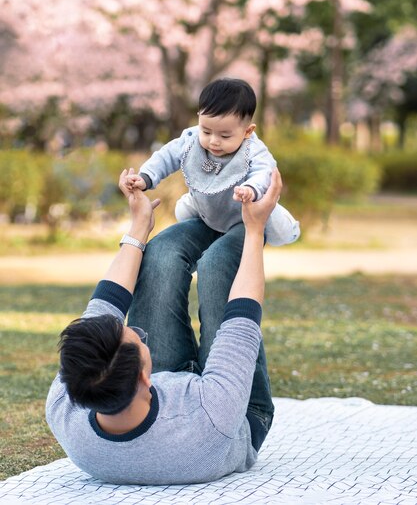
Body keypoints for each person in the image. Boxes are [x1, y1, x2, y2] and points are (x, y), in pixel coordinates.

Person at [46, 166, 282, 485]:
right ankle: (240, 215)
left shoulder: (66, 405)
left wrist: (139, 225)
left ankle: (214, 213)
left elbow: (107, 301)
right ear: (146, 376)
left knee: (158, 254)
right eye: (141, 341)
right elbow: (242, 318)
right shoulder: (215, 418)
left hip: (183, 403)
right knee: (217, 266)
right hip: (234, 416)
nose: (142, 334)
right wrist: (255, 230)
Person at [127, 77, 300, 247]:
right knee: (182, 211)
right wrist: (146, 177)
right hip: (205, 205)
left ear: (247, 131)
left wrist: (251, 189)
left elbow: (264, 172)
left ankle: (288, 226)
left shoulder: (253, 150)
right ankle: (205, 225)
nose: (214, 141)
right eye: (206, 131)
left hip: (243, 212)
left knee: (280, 231)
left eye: (225, 136)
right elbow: (166, 155)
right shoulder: (191, 140)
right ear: (199, 119)